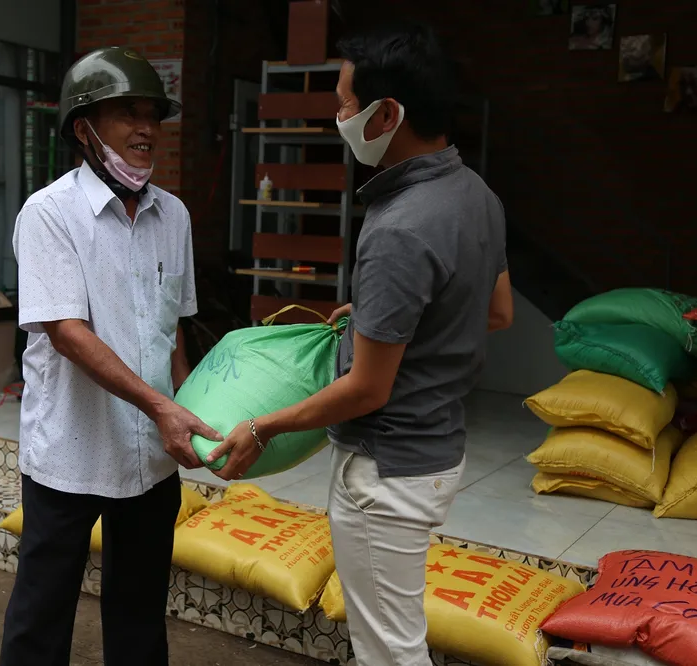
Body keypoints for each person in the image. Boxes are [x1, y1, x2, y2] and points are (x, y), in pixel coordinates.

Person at [204, 22, 513, 666]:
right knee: (395, 637)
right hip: (436, 454)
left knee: (390, 652)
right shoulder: (477, 196)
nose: (339, 117)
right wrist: (383, 317)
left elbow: (366, 389)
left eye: (346, 103)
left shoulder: (400, 226)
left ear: (388, 114)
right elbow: (496, 311)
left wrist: (262, 426)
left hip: (385, 473)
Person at [0, 47, 221, 666]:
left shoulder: (172, 215)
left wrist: (190, 407)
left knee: (140, 614)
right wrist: (160, 406)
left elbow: (172, 327)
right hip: (70, 453)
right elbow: (67, 332)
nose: (146, 129)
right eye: (127, 113)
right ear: (84, 129)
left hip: (150, 455)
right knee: (42, 615)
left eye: (152, 115)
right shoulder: (49, 214)